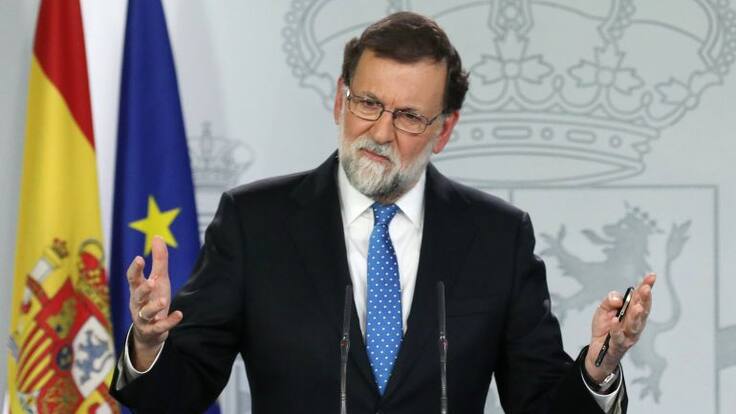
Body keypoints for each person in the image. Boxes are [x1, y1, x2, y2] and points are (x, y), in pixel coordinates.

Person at [110, 12, 655, 414]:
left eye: (410, 116)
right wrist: (148, 346)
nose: (381, 132)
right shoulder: (255, 223)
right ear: (340, 100)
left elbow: (540, 404)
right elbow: (175, 396)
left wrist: (598, 367)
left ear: (444, 129)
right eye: (368, 103)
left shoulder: (497, 238)